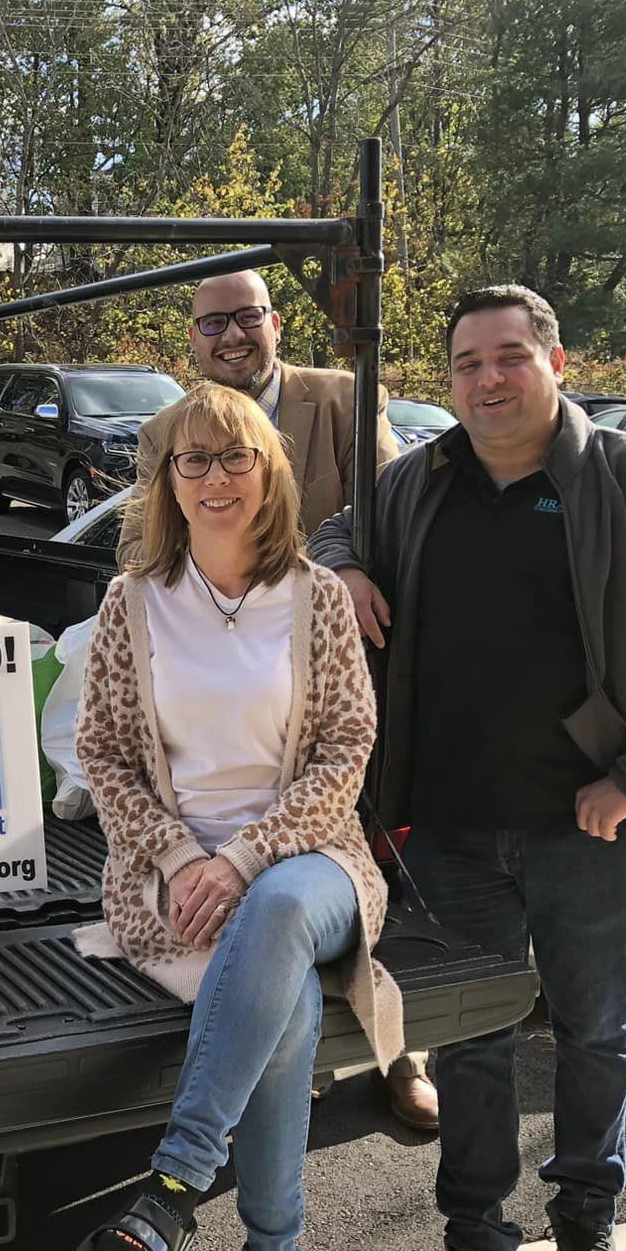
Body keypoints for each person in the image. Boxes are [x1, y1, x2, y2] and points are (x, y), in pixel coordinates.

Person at [310, 285, 626, 1251]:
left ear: (555, 360)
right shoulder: (413, 481)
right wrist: (343, 565)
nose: (487, 379)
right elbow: (328, 529)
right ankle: (475, 1250)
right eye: (465, 363)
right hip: (448, 828)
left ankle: (587, 1225)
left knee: (593, 1033)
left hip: (584, 827)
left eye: (509, 356)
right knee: (467, 1044)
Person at [72, 382, 406, 1251]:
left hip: (309, 860)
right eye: (191, 461)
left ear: (268, 472)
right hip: (169, 881)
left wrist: (249, 853)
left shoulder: (313, 597)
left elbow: (348, 748)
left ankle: (171, 1187)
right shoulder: (132, 604)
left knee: (271, 920)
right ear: (166, 480)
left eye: (234, 458)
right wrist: (177, 858)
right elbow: (103, 755)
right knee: (289, 1012)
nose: (214, 478)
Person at [132, 268, 436, 1131]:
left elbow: (396, 515)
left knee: (370, 865)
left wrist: (339, 564)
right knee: (247, 885)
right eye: (212, 324)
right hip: (230, 705)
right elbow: (141, 550)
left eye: (248, 319)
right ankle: (279, 1046)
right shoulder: (167, 431)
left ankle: (400, 1053)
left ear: (274, 322)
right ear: (191, 338)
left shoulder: (341, 398)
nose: (231, 337)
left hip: (336, 691)